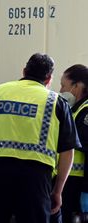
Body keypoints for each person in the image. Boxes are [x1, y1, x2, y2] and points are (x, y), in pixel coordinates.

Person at [0, 53, 80, 223]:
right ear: (49, 78)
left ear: (24, 71)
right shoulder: (56, 102)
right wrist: (57, 191)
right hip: (35, 178)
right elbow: (67, 152)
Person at [56, 64, 88, 222]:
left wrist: (86, 190)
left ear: (77, 86)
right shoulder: (76, 109)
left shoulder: (86, 112)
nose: (61, 90)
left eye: (63, 85)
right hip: (69, 181)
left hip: (78, 183)